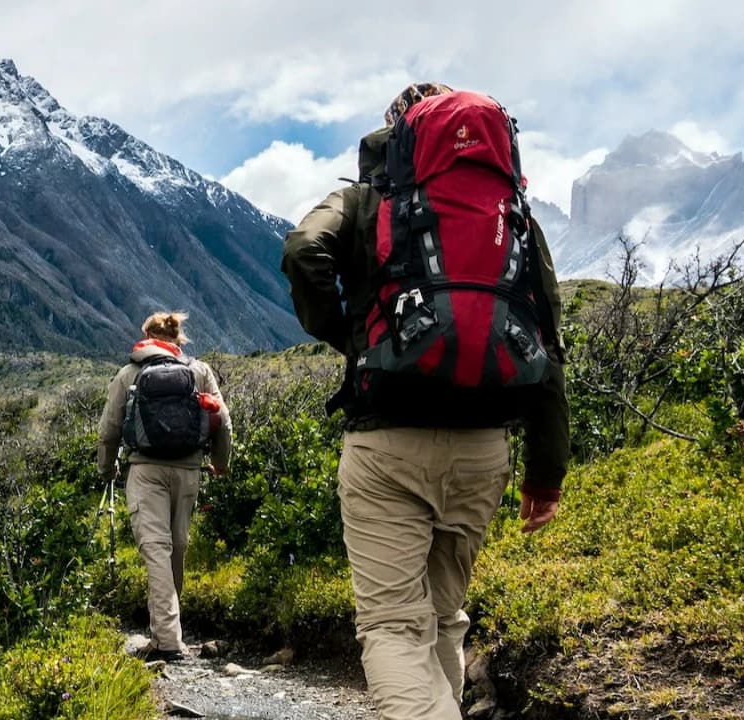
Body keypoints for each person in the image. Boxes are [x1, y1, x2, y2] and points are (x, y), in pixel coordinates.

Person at [281, 83, 570, 719]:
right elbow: (544, 337)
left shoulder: (365, 198)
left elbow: (304, 250)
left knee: (391, 626)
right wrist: (545, 473)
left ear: (399, 135)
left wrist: (352, 336)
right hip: (483, 451)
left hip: (386, 443)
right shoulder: (512, 213)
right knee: (443, 614)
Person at [98, 311, 231, 662]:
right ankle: (169, 631)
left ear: (146, 336)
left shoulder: (129, 373)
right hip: (189, 470)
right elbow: (224, 421)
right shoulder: (198, 371)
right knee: (177, 547)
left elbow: (109, 429)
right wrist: (220, 463)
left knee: (156, 548)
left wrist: (108, 468)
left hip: (145, 471)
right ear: (178, 339)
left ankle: (168, 641)